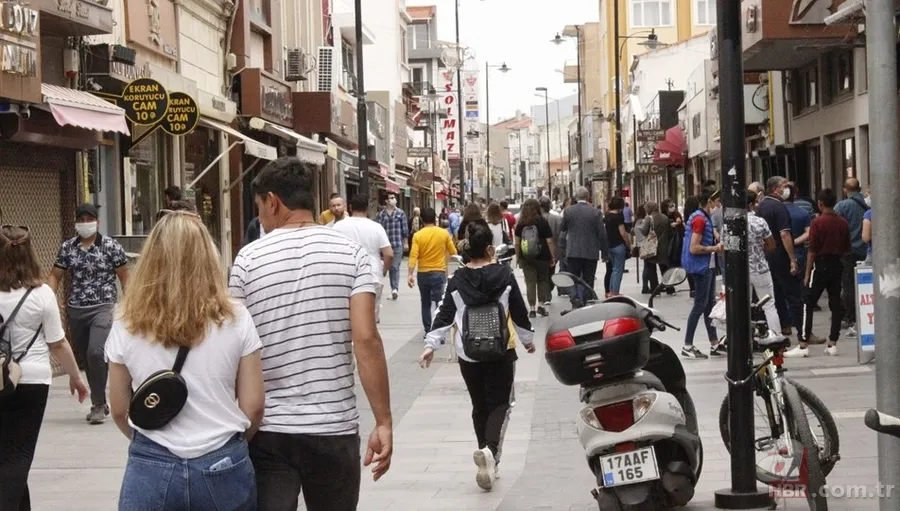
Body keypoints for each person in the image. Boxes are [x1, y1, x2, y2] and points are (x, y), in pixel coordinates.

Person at [228, 157, 393, 509]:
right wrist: (383, 420)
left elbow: (233, 345)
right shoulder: (352, 255)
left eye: (259, 207)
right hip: (334, 427)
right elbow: (365, 339)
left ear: (272, 201)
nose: (261, 217)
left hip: (267, 430)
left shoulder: (248, 259)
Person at [106, 211, 266, 510]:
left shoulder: (126, 321)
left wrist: (149, 443)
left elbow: (118, 408)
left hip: (152, 461)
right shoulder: (236, 317)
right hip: (222, 459)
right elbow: (254, 406)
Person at [418, 220, 535, 491]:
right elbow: (518, 311)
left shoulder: (457, 280)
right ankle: (490, 451)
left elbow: (445, 314)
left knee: (479, 405)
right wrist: (527, 340)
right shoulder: (504, 275)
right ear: (490, 249)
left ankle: (484, 450)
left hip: (468, 353)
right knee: (500, 404)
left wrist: (430, 345)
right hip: (501, 351)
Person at [0, 225, 88, 510]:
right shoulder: (42, 295)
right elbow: (58, 343)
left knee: (7, 455)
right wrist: (76, 377)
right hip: (32, 380)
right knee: (18, 454)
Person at [48, 203, 129, 424]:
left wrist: (130, 305)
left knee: (95, 352)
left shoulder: (111, 246)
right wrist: (48, 299)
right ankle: (100, 399)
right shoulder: (68, 248)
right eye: (81, 219)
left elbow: (124, 277)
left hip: (103, 307)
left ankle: (99, 404)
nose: (85, 223)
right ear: (76, 223)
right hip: (76, 309)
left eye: (89, 219)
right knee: (87, 356)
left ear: (97, 221)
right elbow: (55, 275)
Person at [786, 188, 850, 358]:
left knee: (807, 302)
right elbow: (846, 248)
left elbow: (812, 250)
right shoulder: (843, 222)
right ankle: (832, 343)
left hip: (820, 265)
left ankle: (803, 343)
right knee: (835, 303)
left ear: (820, 204)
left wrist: (807, 273)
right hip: (837, 264)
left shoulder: (817, 223)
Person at [334, 195, 395, 323]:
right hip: (372, 276)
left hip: (346, 277)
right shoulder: (376, 227)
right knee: (370, 321)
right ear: (367, 208)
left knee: (348, 318)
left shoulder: (338, 227)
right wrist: (384, 270)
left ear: (350, 208)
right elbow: (389, 254)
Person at [758, 176, 803, 340]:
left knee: (775, 292)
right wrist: (792, 258)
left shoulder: (762, 206)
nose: (787, 189)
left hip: (768, 255)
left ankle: (784, 325)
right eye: (784, 186)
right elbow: (784, 234)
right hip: (781, 255)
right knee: (793, 293)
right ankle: (802, 331)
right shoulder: (779, 207)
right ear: (775, 189)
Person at [681, 190, 725, 359]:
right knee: (700, 305)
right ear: (709, 201)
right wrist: (715, 248)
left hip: (706, 265)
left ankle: (714, 344)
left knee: (708, 305)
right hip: (701, 266)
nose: (718, 205)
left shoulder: (700, 217)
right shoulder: (699, 219)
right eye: (717, 202)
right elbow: (694, 247)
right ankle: (687, 344)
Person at [408, 207, 457, 331]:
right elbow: (453, 252)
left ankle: (427, 330)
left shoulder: (418, 235)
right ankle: (438, 329)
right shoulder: (443, 233)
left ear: (422, 220)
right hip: (439, 272)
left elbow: (414, 255)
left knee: (425, 303)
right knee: (439, 303)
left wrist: (410, 274)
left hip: (423, 273)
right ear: (435, 219)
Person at [561, 187, 609, 305]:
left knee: (574, 277)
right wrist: (605, 253)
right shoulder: (595, 212)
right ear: (588, 197)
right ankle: (588, 300)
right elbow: (602, 234)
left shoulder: (568, 211)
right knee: (588, 278)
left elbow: (563, 228)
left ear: (576, 197)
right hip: (590, 251)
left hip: (573, 251)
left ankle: (575, 299)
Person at [834, 177, 869, 337]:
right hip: (867, 250)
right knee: (867, 285)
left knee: (848, 285)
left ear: (844, 189)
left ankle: (851, 317)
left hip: (848, 252)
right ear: (859, 188)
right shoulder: (868, 205)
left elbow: (836, 227)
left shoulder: (842, 206)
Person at [745, 191, 782, 337]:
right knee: (769, 305)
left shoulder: (730, 223)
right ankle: (776, 337)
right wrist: (760, 247)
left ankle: (745, 339)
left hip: (740, 271)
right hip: (760, 269)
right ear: (751, 205)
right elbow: (772, 245)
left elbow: (723, 248)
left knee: (743, 306)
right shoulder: (760, 222)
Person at [515, 198, 556, 317]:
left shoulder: (521, 223)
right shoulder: (542, 221)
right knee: (543, 280)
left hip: (526, 257)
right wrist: (552, 256)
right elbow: (549, 241)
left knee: (530, 282)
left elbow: (517, 242)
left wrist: (518, 257)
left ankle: (532, 309)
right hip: (542, 256)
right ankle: (541, 306)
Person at [377, 193, 409, 300]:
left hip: (397, 244)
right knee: (387, 268)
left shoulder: (401, 213)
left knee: (395, 267)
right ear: (386, 201)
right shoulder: (381, 214)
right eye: (390, 198)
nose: (393, 200)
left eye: (394, 198)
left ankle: (394, 289)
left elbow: (404, 230)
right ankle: (386, 287)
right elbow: (379, 231)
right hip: (385, 246)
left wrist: (406, 243)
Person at [603, 196, 632, 297]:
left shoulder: (607, 216)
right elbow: (623, 233)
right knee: (618, 270)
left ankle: (610, 291)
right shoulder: (619, 217)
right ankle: (615, 292)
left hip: (609, 245)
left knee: (613, 269)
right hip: (618, 245)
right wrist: (628, 243)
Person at [636, 203, 659, 294]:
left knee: (647, 266)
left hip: (646, 245)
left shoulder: (645, 219)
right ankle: (646, 286)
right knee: (648, 266)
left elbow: (640, 232)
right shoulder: (648, 219)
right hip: (650, 245)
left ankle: (646, 286)